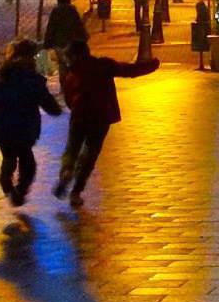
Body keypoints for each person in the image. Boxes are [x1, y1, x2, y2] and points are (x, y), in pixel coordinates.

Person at [54, 39, 158, 207]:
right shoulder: (103, 65)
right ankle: (76, 192)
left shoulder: (71, 74)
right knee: (90, 154)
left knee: (72, 149)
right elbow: (129, 70)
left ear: (72, 57)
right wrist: (152, 65)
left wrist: (75, 108)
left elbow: (68, 98)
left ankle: (66, 171)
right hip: (101, 116)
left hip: (79, 116)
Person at [0, 40, 63, 207]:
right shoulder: (33, 79)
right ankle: (21, 190)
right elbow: (48, 103)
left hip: (4, 127)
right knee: (27, 162)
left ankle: (6, 180)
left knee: (9, 158)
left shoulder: (3, 75)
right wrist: (56, 109)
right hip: (26, 128)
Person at [43, 0, 89, 76]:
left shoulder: (56, 11)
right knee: (72, 63)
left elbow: (51, 27)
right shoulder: (73, 10)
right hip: (71, 43)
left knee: (62, 64)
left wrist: (47, 43)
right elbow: (78, 25)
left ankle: (64, 82)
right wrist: (84, 37)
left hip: (59, 43)